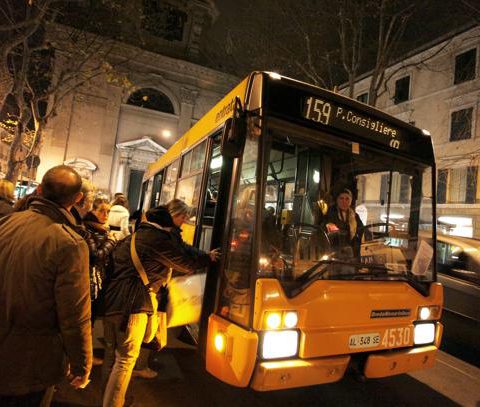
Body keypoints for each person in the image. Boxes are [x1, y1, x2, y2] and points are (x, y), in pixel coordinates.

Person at [101, 206, 218, 407]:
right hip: (132, 306)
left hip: (111, 303)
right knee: (125, 361)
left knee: (111, 357)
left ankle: (109, 399)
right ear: (165, 226)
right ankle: (113, 404)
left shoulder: (132, 238)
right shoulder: (157, 240)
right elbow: (184, 263)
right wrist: (207, 258)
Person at [0, 165, 92, 406]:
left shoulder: (6, 223)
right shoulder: (69, 243)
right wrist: (82, 364)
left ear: (39, 189)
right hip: (31, 361)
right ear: (78, 198)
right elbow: (75, 314)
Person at [166, 198, 221, 263]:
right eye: (183, 217)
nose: (184, 221)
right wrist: (207, 257)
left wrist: (206, 255)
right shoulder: (165, 233)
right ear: (173, 215)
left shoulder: (172, 230)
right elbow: (180, 259)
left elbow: (185, 247)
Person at [325, 187, 364, 257]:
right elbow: (327, 229)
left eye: (347, 199)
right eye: (341, 198)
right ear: (337, 200)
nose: (344, 201)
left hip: (351, 250)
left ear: (350, 201)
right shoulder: (331, 213)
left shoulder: (355, 216)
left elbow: (362, 229)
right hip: (334, 250)